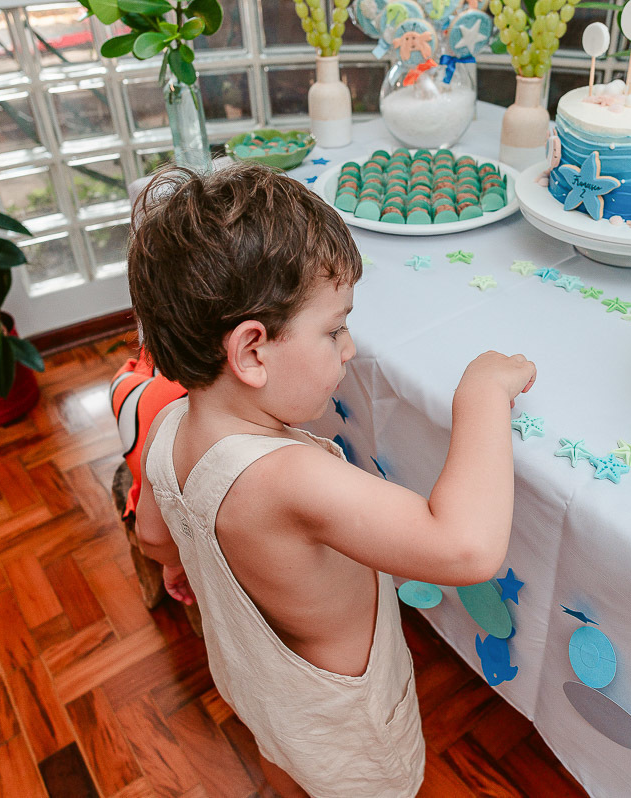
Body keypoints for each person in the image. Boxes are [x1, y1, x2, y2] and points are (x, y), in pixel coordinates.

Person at [128, 162, 535, 798]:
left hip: (261, 691)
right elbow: (466, 546)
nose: (349, 348)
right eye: (334, 328)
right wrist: (480, 395)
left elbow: (154, 536)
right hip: (345, 728)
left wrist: (186, 560)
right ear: (252, 352)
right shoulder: (291, 478)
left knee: (286, 767)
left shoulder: (167, 428)